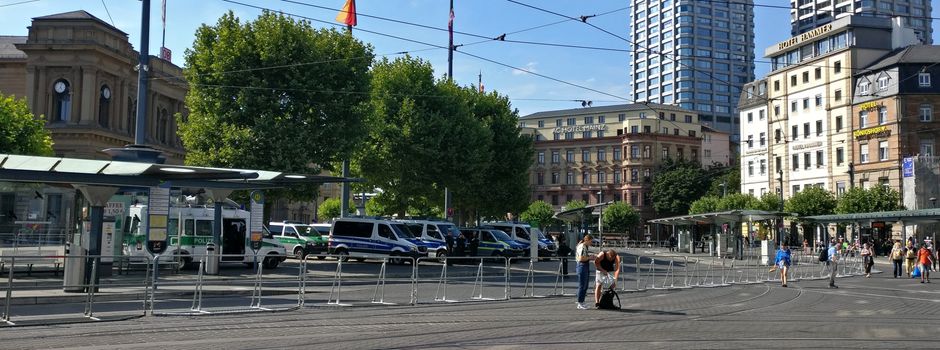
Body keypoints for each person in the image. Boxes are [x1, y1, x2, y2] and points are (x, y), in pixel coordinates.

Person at [575, 235, 595, 310]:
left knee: (584, 285)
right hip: (582, 266)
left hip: (582, 266)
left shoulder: (583, 246)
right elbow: (581, 258)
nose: (591, 243)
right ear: (587, 240)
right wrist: (590, 257)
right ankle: (580, 303)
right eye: (591, 241)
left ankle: (581, 301)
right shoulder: (583, 246)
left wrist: (589, 256)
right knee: (583, 285)